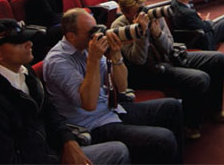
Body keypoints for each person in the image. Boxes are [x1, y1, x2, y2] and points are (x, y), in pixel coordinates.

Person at [0, 19, 130, 164]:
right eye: (19, 42)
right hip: (40, 158)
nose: (29, 43)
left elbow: (50, 112)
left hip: (50, 149)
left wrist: (68, 141)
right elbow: (4, 157)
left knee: (118, 151)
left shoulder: (25, 72)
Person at [43, 8, 184, 164]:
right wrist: (94, 61)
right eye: (91, 32)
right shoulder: (57, 61)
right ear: (71, 36)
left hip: (111, 109)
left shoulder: (89, 48)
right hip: (91, 124)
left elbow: (122, 86)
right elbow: (89, 104)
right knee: (164, 139)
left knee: (172, 107)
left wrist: (116, 54)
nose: (97, 35)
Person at [112, 0, 224, 139]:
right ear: (125, 13)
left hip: (170, 58)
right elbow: (138, 60)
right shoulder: (119, 26)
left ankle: (215, 109)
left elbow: (169, 47)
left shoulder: (154, 16)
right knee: (199, 78)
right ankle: (190, 125)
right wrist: (141, 34)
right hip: (148, 71)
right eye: (136, 12)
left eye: (143, 8)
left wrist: (158, 34)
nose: (143, 14)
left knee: (218, 59)